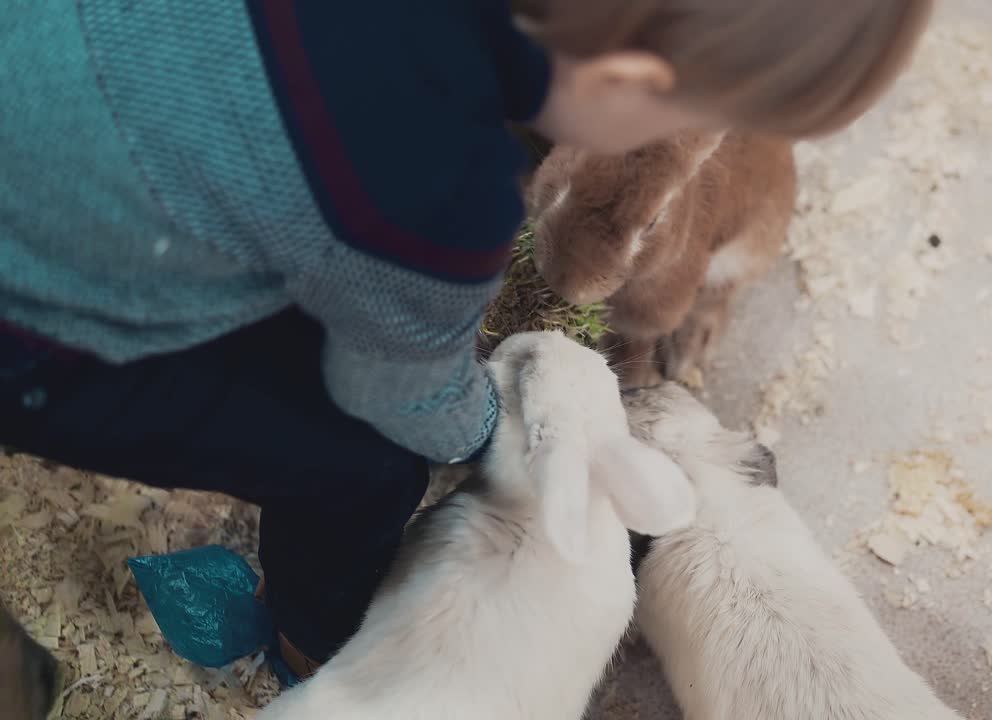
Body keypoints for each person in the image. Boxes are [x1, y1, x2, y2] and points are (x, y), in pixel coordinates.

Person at [0, 0, 933, 680]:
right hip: (32, 333)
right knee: (364, 459)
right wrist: (491, 428)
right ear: (624, 87)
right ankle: (313, 648)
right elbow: (394, 394)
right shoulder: (441, 194)